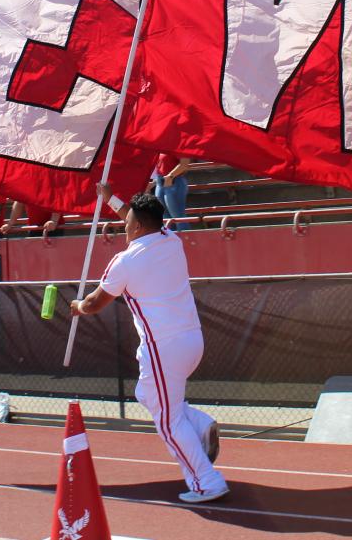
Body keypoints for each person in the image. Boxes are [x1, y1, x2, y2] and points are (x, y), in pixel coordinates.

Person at [71, 184, 228, 504]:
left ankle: (206, 481)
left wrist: (78, 307)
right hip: (191, 340)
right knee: (148, 395)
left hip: (163, 348)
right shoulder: (170, 239)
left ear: (138, 226)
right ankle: (198, 423)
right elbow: (137, 215)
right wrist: (110, 196)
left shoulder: (125, 261)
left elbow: (96, 302)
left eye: (128, 221)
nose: (123, 224)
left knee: (168, 423)